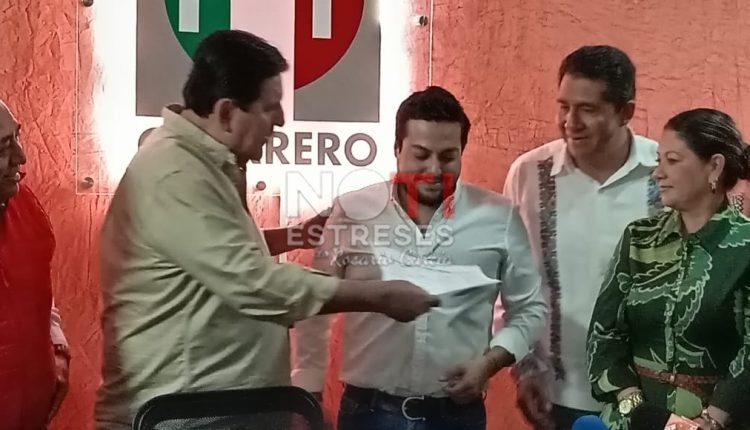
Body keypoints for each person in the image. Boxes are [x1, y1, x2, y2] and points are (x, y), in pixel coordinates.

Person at [95, 30, 439, 429]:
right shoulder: (176, 173)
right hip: (183, 417)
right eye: (270, 107)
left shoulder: (207, 162)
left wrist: (297, 235)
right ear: (227, 113)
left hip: (223, 414)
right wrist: (379, 296)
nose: (281, 120)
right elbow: (255, 285)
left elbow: (218, 253)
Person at [291, 86, 548, 430]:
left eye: (448, 156)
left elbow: (530, 309)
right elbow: (316, 304)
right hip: (368, 414)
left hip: (458, 416)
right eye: (421, 154)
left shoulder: (499, 217)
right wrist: (307, 392)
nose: (434, 168)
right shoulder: (353, 211)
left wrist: (489, 364)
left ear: (462, 152)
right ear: (397, 149)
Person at [501, 45, 662, 429]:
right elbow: (507, 280)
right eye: (563, 106)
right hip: (555, 395)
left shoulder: (664, 172)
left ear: (626, 112)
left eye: (587, 109)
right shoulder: (528, 173)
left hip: (650, 398)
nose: (570, 122)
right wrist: (522, 368)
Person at [587, 108, 750, 430]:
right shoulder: (639, 238)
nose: (657, 173)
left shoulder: (745, 247)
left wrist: (710, 420)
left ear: (714, 167)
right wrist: (634, 406)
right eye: (658, 160)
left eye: (672, 161)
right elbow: (605, 333)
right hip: (634, 420)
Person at [0, 99, 70, 428]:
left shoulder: (24, 203)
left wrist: (57, 345)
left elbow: (39, 288)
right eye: (3, 147)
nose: (21, 157)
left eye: (17, 137)